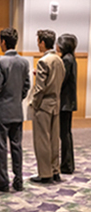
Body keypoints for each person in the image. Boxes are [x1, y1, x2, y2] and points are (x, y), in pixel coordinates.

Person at [0, 28, 30, 192]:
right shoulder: (24, 62)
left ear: (3, 42)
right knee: (16, 146)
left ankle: (3, 181)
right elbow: (26, 86)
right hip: (17, 110)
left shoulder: (0, 62)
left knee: (1, 147)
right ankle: (18, 180)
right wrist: (17, 98)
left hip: (2, 111)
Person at [30, 29, 65, 183]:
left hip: (44, 105)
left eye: (38, 41)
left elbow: (40, 89)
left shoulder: (43, 61)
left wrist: (34, 104)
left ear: (43, 43)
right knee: (54, 140)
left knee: (42, 140)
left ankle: (45, 173)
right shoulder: (59, 60)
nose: (37, 44)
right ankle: (55, 170)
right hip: (56, 103)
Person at [56, 34, 78, 174]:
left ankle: (67, 165)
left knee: (64, 134)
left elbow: (60, 80)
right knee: (66, 133)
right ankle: (68, 163)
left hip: (64, 102)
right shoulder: (71, 59)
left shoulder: (66, 60)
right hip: (68, 101)